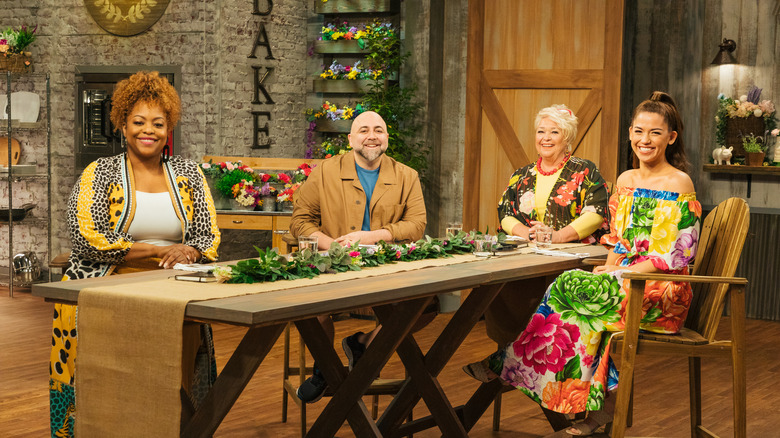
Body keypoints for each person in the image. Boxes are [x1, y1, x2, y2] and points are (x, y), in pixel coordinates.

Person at [464, 92, 702, 436]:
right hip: (624, 284)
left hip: (660, 293)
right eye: (638, 131)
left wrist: (620, 273)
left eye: (654, 133)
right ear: (630, 134)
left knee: (570, 290)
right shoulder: (625, 180)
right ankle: (601, 410)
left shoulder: (679, 183)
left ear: (671, 137)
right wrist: (609, 268)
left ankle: (505, 365)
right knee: (574, 289)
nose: (644, 140)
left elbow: (676, 257)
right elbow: (617, 242)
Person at [49, 71, 221, 437]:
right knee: (110, 389)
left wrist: (189, 249)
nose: (149, 130)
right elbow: (87, 237)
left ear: (168, 128)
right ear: (123, 127)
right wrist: (160, 250)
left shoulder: (189, 174)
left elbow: (209, 237)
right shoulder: (99, 173)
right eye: (139, 122)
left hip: (176, 296)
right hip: (107, 294)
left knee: (175, 387)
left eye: (158, 123)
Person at [290, 110, 427, 403]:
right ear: (351, 138)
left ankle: (364, 344)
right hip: (333, 263)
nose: (372, 136)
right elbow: (300, 220)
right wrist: (331, 246)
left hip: (386, 266)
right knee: (312, 305)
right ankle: (324, 370)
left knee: (427, 304)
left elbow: (417, 225)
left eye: (379, 130)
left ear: (387, 138)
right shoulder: (325, 171)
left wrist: (374, 235)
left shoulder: (407, 176)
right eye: (364, 130)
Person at [486, 104, 610, 348]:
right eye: (541, 132)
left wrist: (559, 236)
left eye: (554, 132)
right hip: (528, 257)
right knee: (501, 287)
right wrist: (526, 232)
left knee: (559, 295)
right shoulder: (522, 174)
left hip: (571, 260)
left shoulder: (585, 171)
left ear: (567, 138)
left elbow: (596, 212)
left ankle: (543, 360)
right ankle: (508, 352)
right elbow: (505, 211)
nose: (546, 138)